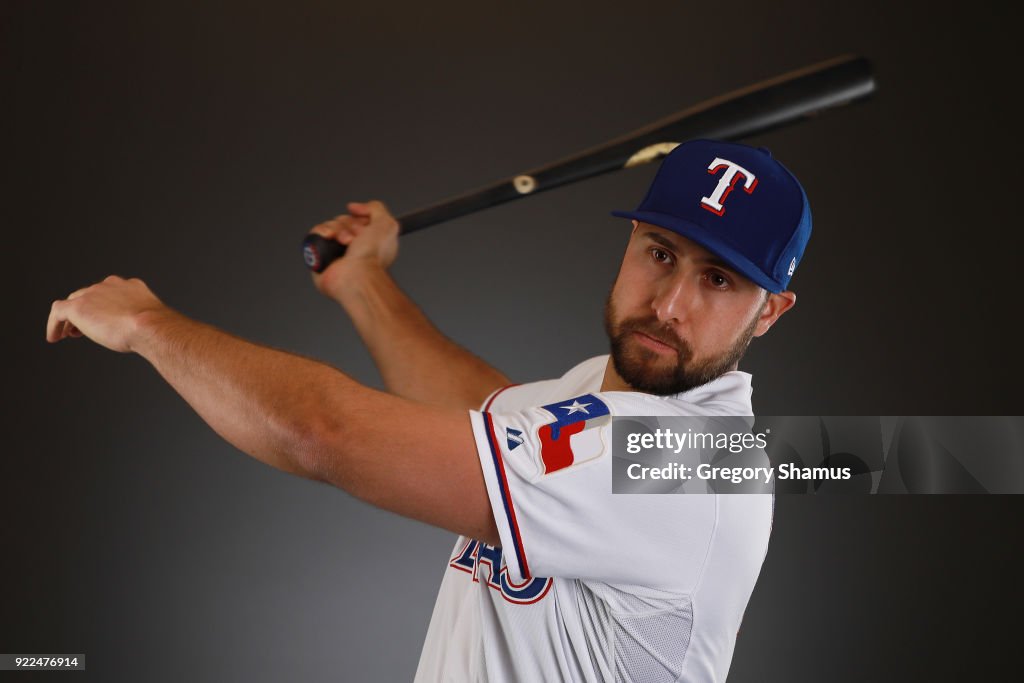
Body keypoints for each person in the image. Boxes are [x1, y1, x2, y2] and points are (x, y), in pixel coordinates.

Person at [45, 138, 810, 681]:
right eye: (661, 253)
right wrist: (361, 281)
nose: (670, 303)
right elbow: (485, 404)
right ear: (630, 241)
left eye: (718, 281)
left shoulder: (688, 467)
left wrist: (149, 326)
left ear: (769, 312)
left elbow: (326, 433)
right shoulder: (606, 400)